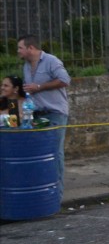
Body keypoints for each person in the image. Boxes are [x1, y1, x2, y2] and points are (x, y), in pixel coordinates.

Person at [17, 35, 72, 195]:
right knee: (39, 153)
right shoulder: (26, 66)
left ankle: (57, 194)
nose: (18, 51)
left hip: (54, 113)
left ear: (31, 48)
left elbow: (65, 80)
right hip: (35, 114)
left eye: (20, 48)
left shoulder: (51, 61)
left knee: (54, 153)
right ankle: (42, 190)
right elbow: (29, 91)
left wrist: (39, 87)